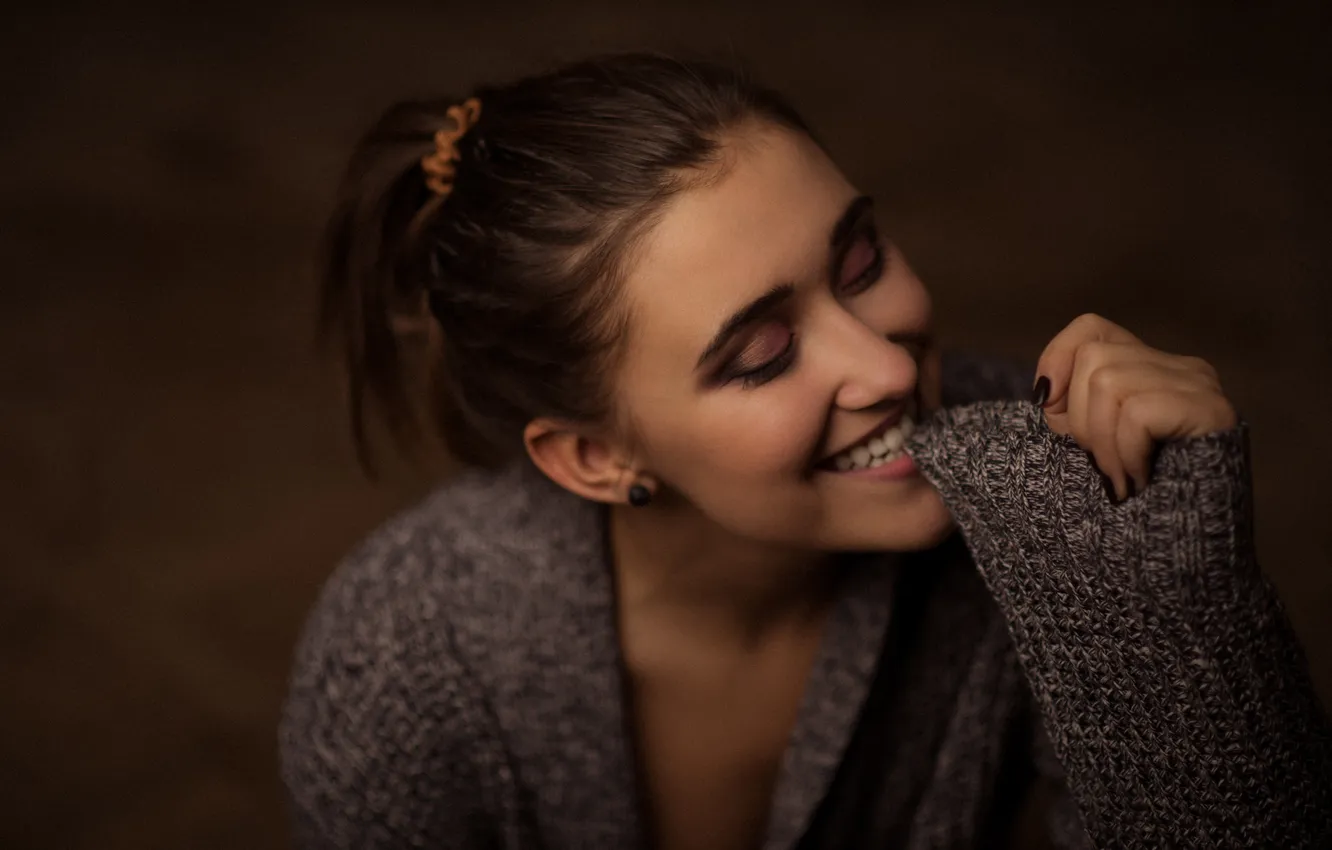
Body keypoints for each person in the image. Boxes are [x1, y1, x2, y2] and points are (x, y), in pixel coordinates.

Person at [278, 53, 1331, 849]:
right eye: (762, 352)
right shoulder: (406, 662)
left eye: (861, 259)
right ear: (594, 457)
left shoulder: (1047, 474)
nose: (882, 362)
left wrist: (1179, 593)